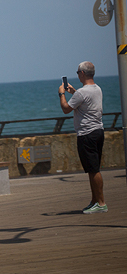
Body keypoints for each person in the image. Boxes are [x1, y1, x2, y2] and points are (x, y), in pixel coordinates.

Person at [58, 61, 107, 214]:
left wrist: (62, 94)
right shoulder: (97, 89)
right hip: (98, 131)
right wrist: (74, 92)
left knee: (93, 170)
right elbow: (85, 101)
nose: (77, 74)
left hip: (87, 134)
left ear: (83, 73)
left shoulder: (82, 92)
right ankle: (94, 201)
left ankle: (101, 202)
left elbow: (66, 109)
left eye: (78, 72)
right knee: (93, 169)